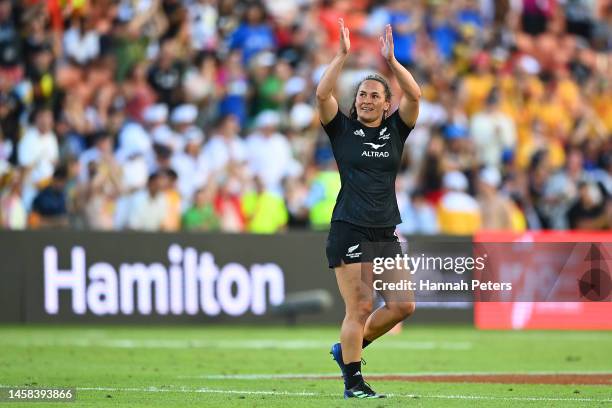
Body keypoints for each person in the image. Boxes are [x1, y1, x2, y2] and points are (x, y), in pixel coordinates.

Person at [316, 19, 420, 399]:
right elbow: (322, 94)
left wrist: (392, 62)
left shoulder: (397, 130)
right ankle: (353, 382)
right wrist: (342, 56)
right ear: (355, 100)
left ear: (386, 103)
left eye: (375, 95)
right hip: (350, 227)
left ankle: (344, 352)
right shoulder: (341, 130)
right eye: (362, 94)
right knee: (359, 307)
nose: (367, 99)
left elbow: (416, 96)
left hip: (384, 229)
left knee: (402, 305)